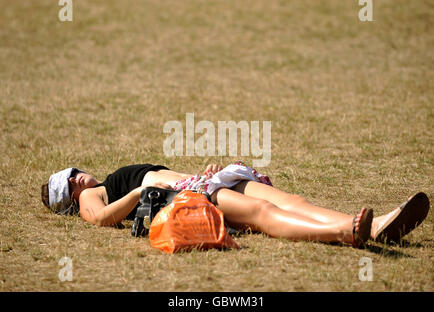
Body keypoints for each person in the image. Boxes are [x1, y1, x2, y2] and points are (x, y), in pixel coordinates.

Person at [41, 162, 430, 248]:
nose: (78, 177)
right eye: (69, 184)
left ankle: (376, 226)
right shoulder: (93, 196)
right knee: (262, 215)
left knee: (290, 201)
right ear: (68, 200)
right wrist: (143, 191)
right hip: (187, 195)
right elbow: (99, 220)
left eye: (74, 172)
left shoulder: (101, 181)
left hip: (200, 181)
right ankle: (345, 232)